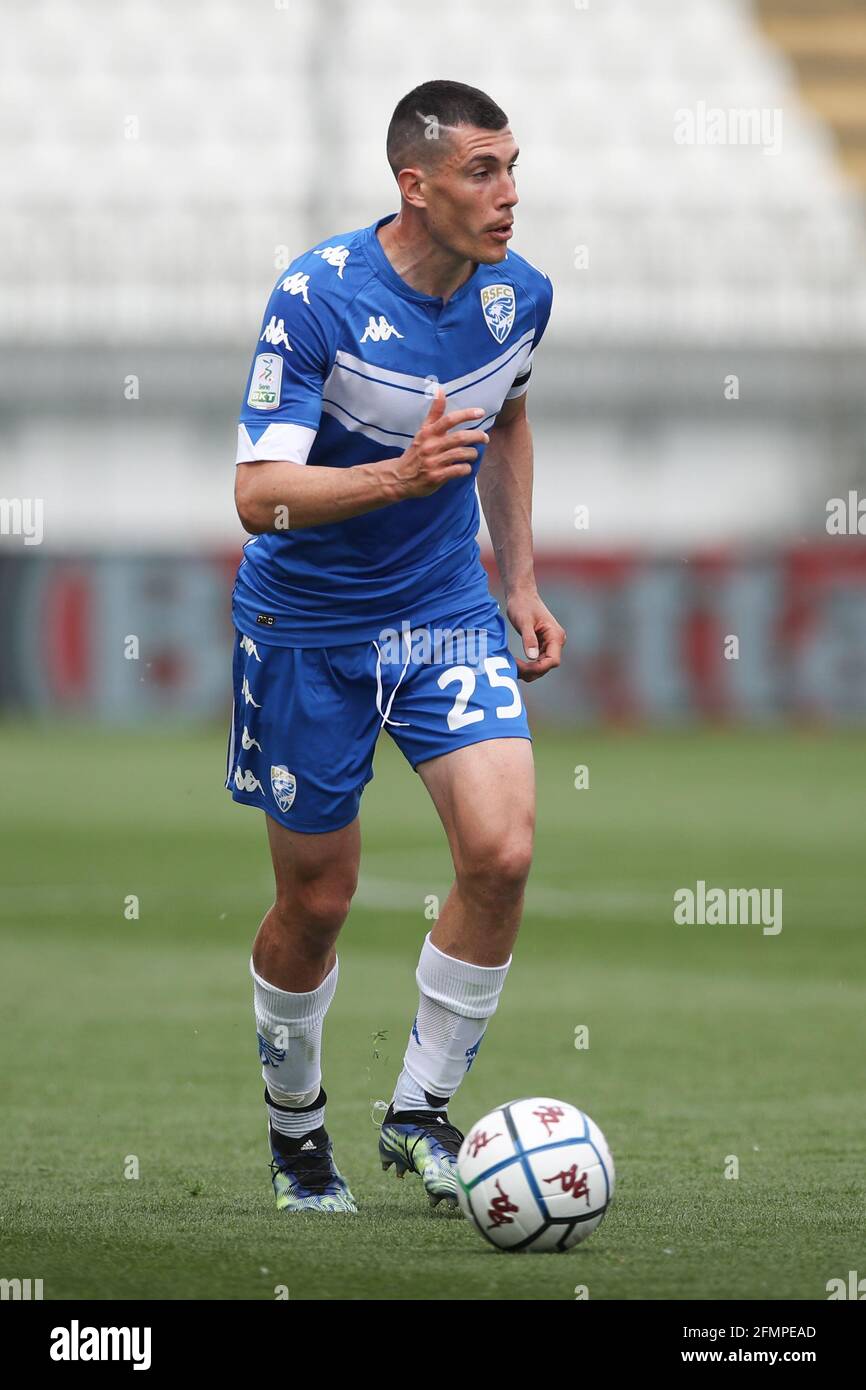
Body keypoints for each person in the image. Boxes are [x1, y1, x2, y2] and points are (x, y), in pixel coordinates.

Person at [226, 78, 565, 1212]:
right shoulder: (315, 297)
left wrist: (515, 577)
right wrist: (396, 475)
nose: (508, 193)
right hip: (306, 629)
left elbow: (507, 417)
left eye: (512, 165)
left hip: (443, 613)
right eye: (482, 170)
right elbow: (256, 495)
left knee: (502, 852)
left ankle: (418, 1110)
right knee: (318, 901)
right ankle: (296, 1132)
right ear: (412, 187)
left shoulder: (518, 296)